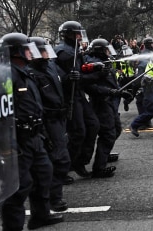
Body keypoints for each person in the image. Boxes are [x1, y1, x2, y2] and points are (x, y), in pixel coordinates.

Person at [0, 33, 64, 231]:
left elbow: (35, 106)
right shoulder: (5, 76)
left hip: (35, 135)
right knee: (18, 187)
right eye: (27, 49)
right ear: (16, 51)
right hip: (16, 139)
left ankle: (40, 215)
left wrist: (43, 134)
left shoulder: (25, 72)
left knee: (44, 174)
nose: (31, 52)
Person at [28, 37, 72, 212]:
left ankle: (51, 197)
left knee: (58, 159)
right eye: (44, 50)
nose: (48, 53)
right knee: (59, 159)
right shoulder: (32, 74)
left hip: (59, 117)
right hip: (47, 120)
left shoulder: (51, 66)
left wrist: (72, 77)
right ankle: (53, 199)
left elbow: (63, 80)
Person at [54, 21, 100, 178]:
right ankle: (64, 167)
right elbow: (58, 75)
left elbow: (81, 72)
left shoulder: (75, 50)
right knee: (78, 132)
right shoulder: (62, 52)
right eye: (77, 34)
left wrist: (95, 68)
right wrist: (68, 77)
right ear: (68, 35)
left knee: (93, 125)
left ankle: (80, 161)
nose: (80, 36)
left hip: (79, 94)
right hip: (70, 96)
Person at [83, 39, 126, 178]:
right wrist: (110, 91)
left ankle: (103, 154)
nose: (109, 52)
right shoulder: (92, 65)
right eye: (107, 50)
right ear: (100, 51)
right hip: (101, 103)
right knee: (108, 134)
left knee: (116, 129)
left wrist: (120, 91)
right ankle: (99, 168)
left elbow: (112, 81)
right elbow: (90, 87)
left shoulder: (105, 62)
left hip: (110, 102)